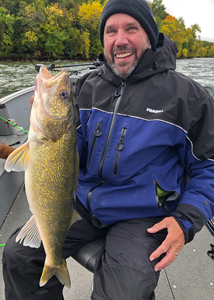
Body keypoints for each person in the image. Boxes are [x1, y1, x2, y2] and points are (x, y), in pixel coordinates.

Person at [2, 0, 214, 299]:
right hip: (83, 203)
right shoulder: (86, 87)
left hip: (143, 215)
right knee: (19, 258)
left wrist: (186, 219)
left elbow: (209, 166)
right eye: (110, 31)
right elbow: (69, 149)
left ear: (150, 35)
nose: (120, 39)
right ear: (103, 40)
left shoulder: (190, 98)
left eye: (131, 28)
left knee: (123, 292)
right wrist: (45, 119)